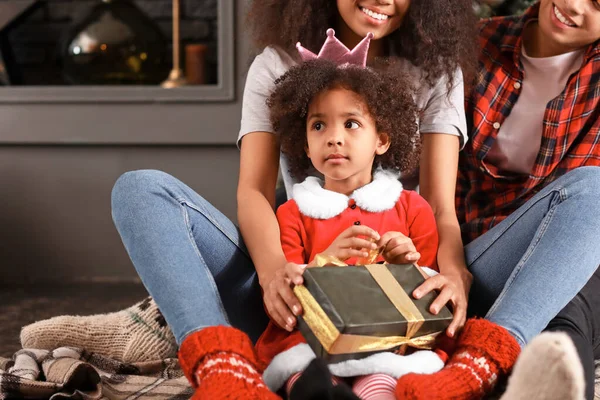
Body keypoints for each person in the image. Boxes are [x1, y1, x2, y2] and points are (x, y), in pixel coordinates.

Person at [20, 1, 478, 398]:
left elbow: (439, 207)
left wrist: (452, 276)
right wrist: (275, 272)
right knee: (140, 188)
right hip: (286, 289)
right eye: (319, 125)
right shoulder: (276, 64)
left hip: (390, 301)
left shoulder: (436, 73)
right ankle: (221, 363)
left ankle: (160, 322)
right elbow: (254, 192)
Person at [394, 1, 600, 399]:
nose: (573, 6)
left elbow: (578, 221)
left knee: (594, 194)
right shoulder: (475, 44)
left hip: (556, 263)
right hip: (471, 257)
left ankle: (483, 361)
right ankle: (486, 362)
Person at [255, 35, 448, 399]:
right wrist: (326, 260)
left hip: (387, 341)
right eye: (318, 126)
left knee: (382, 377)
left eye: (351, 124)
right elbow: (290, 293)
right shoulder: (292, 213)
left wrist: (404, 265)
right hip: (313, 339)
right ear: (305, 143)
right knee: (306, 376)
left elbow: (429, 293)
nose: (333, 138)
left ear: (382, 140)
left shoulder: (412, 209)